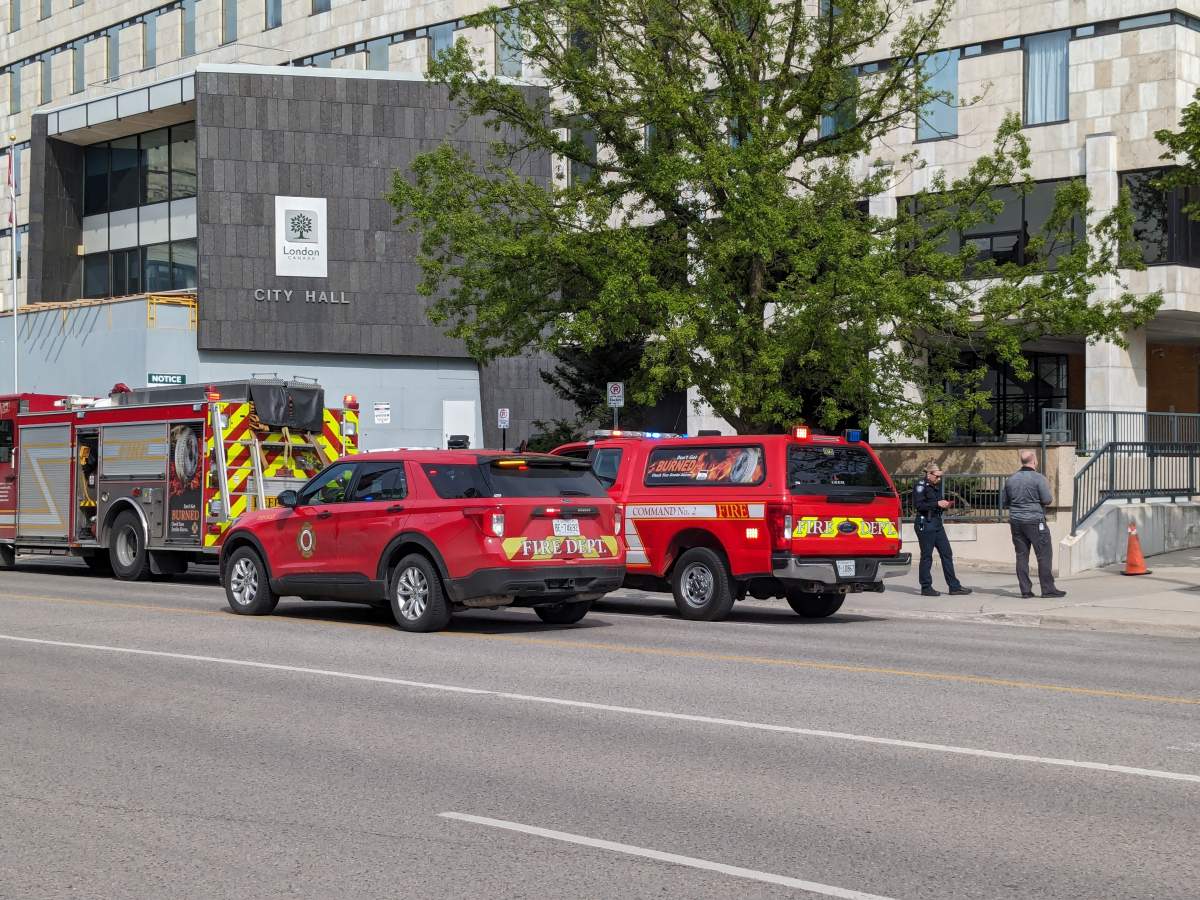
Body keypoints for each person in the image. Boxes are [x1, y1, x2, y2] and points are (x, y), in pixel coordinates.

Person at [1002, 450, 1066, 599]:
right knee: (1044, 555)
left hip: (1016, 522)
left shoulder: (1011, 479)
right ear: (1034, 461)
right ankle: (1048, 589)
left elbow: (1005, 501)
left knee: (1021, 555)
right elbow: (1047, 499)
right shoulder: (1039, 479)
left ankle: (1025, 590)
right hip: (1035, 521)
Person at [913, 463, 972, 597]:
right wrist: (936, 504)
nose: (939, 479)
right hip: (925, 523)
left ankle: (954, 586)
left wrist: (944, 504)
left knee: (947, 553)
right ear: (929, 474)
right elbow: (919, 505)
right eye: (937, 476)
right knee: (927, 556)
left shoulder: (935, 486)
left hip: (936, 523)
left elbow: (937, 503)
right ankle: (926, 587)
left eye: (940, 476)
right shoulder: (921, 485)